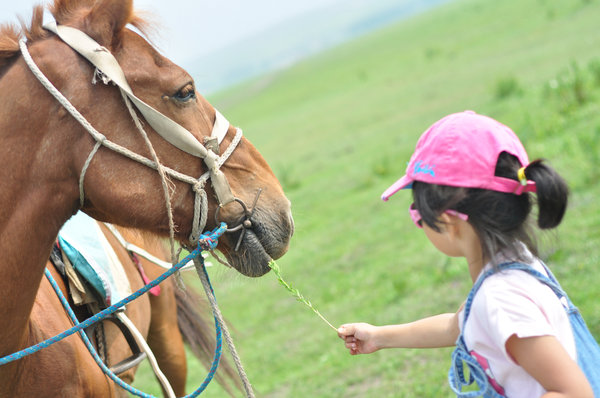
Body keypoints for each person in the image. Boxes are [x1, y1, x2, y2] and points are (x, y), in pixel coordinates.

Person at [337, 111, 596, 397]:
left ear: (448, 222)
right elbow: (456, 325)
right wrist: (378, 337)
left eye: (417, 212)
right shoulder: (514, 265)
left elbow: (573, 392)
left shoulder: (500, 299)